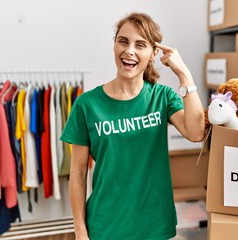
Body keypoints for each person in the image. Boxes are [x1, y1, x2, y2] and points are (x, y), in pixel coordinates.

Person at [60, 12, 205, 240]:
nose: (129, 51)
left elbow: (196, 133)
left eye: (140, 45)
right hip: (105, 225)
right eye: (123, 41)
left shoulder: (162, 97)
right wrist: (80, 230)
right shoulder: (86, 105)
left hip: (154, 224)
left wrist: (184, 75)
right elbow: (77, 173)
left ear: (154, 53)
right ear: (114, 45)